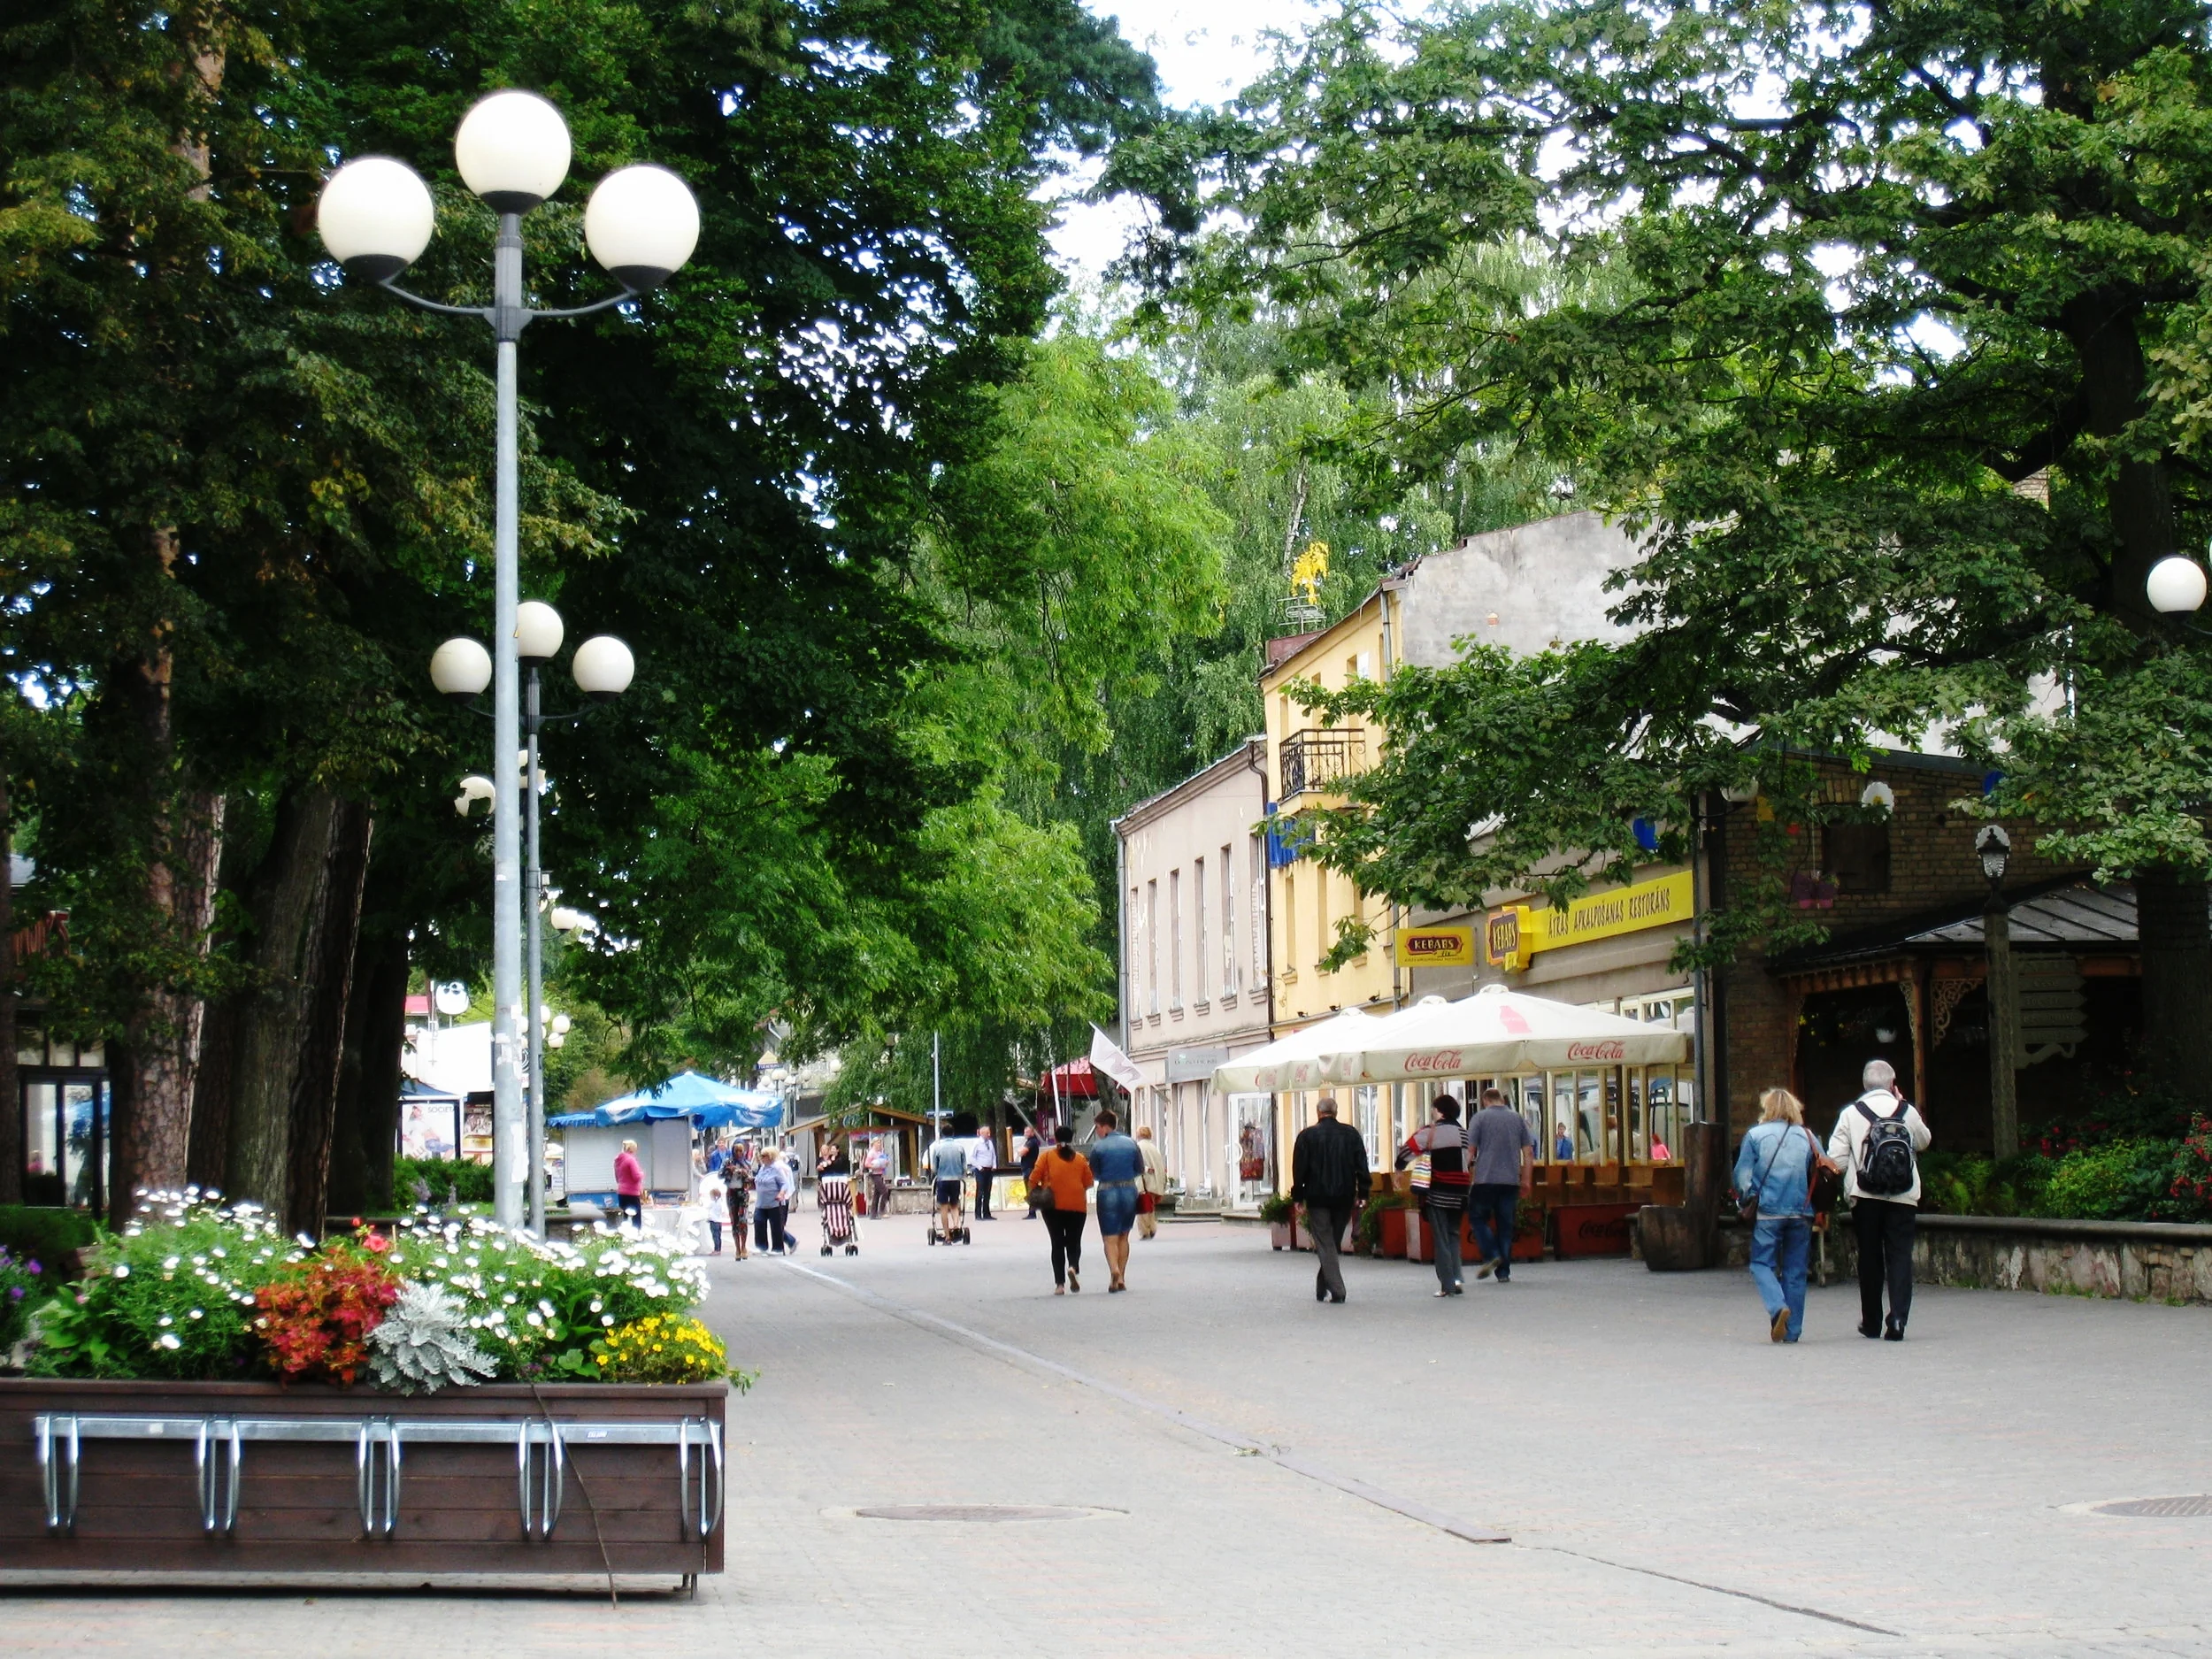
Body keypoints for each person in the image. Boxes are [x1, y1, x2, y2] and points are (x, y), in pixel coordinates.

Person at [1828, 1057, 1932, 1340]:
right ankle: (1898, 1319)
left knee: (1870, 1258)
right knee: (1900, 1257)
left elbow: (1836, 1160)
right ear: (1892, 1084)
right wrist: (1905, 1105)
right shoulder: (1906, 1111)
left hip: (1866, 1195)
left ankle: (1871, 1321)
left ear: (1864, 1085)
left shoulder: (1850, 1113)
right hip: (1903, 1196)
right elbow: (1924, 1141)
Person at [1732, 1087, 1822, 1342]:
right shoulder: (1808, 1136)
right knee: (1795, 1271)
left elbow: (1742, 1176)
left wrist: (1744, 1199)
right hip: (1801, 1211)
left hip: (1768, 1212)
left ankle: (1776, 1306)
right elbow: (1824, 1167)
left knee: (1761, 1264)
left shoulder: (1755, 1136)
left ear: (1768, 1108)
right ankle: (1792, 1331)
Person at [1290, 1095, 1371, 1304]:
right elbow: (1362, 1166)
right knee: (1332, 1241)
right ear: (1336, 1112)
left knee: (1326, 1243)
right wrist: (1363, 1193)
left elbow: (1299, 1170)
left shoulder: (1307, 1137)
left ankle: (1337, 1289)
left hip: (1317, 1196)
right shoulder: (1351, 1134)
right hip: (1344, 1195)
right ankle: (1322, 1285)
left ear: (1318, 1113)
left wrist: (1298, 1196)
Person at [1399, 1094, 1472, 1296]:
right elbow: (1471, 1159)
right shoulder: (1464, 1133)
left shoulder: (1431, 1132)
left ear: (1439, 1111)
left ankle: (1447, 1285)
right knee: (1454, 1236)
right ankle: (1457, 1279)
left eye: (1433, 1109)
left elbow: (1407, 1151)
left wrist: (1399, 1167)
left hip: (1438, 1191)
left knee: (1441, 1238)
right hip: (1460, 1193)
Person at [1464, 1087, 1536, 1284]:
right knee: (1506, 1226)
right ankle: (1503, 1272)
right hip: (1510, 1180)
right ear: (1501, 1100)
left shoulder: (1479, 1118)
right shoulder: (1517, 1118)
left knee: (1478, 1218)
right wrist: (1527, 1180)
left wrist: (1464, 1174)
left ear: (1485, 1100)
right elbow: (1529, 1154)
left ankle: (1492, 1253)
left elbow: (1470, 1151)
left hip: (1485, 1179)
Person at [1029, 1122, 1094, 1293]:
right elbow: (1088, 1183)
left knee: (1057, 1243)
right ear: (1072, 1138)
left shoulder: (1047, 1157)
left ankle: (1060, 1284)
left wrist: (1038, 1189)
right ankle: (1073, 1266)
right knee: (1074, 1241)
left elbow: (1033, 1178)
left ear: (1055, 1138)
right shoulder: (1080, 1159)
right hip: (1077, 1206)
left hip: (1052, 1206)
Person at [1087, 1109, 1144, 1292]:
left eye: (1097, 1127)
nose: (1097, 1131)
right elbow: (1139, 1169)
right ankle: (1122, 1278)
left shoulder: (1098, 1147)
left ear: (1105, 1127)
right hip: (1129, 1190)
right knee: (1124, 1236)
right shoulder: (1131, 1143)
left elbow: (1093, 1172)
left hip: (1107, 1190)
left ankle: (1114, 1270)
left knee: (1109, 1238)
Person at [927, 1124, 971, 1241]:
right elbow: (965, 1166)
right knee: (955, 1204)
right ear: (953, 1133)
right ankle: (956, 1225)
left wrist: (937, 1173)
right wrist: (962, 1173)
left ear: (942, 1134)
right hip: (956, 1179)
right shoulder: (960, 1147)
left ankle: (947, 1235)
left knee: (944, 1208)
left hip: (943, 1180)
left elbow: (934, 1168)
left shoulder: (938, 1148)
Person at [753, 1148, 794, 1255]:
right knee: (759, 1223)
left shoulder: (777, 1169)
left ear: (770, 1157)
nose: (762, 1158)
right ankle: (762, 1247)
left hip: (774, 1203)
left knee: (776, 1226)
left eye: (764, 1156)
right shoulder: (762, 1168)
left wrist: (781, 1194)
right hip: (761, 1203)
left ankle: (778, 1248)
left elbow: (785, 1184)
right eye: (761, 1156)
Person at [1134, 1125, 1168, 1240]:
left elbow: (1137, 1164)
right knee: (1151, 1207)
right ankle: (1152, 1227)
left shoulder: (1138, 1147)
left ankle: (1145, 1231)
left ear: (1139, 1135)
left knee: (1142, 1208)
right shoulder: (1154, 1148)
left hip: (1143, 1181)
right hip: (1154, 1182)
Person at [613, 1139, 645, 1231]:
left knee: (625, 1217)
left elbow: (617, 1178)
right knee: (636, 1219)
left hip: (621, 1192)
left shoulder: (617, 1161)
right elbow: (636, 1177)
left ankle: (624, 1238)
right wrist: (642, 1173)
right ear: (632, 1149)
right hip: (632, 1193)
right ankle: (636, 1238)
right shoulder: (631, 1160)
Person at [726, 1149, 752, 1260]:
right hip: (732, 1194)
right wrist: (729, 1171)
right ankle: (737, 1249)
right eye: (736, 1151)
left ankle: (744, 1247)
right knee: (734, 1221)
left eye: (741, 1151)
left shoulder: (747, 1163)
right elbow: (720, 1175)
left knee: (743, 1221)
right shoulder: (728, 1162)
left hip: (743, 1194)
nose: (738, 1153)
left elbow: (751, 1179)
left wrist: (744, 1173)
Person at [969, 1123, 998, 1220]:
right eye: (987, 1133)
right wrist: (979, 1166)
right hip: (981, 1170)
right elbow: (972, 1157)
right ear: (982, 1133)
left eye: (989, 1133)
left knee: (988, 1192)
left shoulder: (990, 1143)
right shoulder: (977, 1143)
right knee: (980, 1192)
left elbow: (993, 1155)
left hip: (989, 1170)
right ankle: (978, 1214)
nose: (989, 1135)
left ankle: (986, 1213)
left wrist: (994, 1165)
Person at [699, 1165, 727, 1256]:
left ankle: (716, 1249)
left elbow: (706, 1207)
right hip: (719, 1221)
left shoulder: (713, 1203)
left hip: (714, 1220)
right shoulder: (720, 1202)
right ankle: (719, 1249)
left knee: (715, 1235)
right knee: (718, 1236)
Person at [1020, 1121, 1046, 1217]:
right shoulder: (1030, 1142)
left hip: (1029, 1169)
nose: (1025, 1134)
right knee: (1031, 1190)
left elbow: (1021, 1152)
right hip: (1029, 1168)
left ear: (1032, 1132)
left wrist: (1021, 1150)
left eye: (1027, 1132)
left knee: (1030, 1190)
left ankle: (1032, 1211)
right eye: (1025, 1132)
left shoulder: (1031, 1142)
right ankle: (1033, 1210)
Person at [863, 1136, 892, 1217]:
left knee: (877, 1194)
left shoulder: (880, 1153)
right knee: (885, 1191)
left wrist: (886, 1163)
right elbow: (866, 1164)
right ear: (874, 1144)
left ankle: (873, 1214)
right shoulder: (871, 1153)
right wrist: (874, 1166)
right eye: (878, 1143)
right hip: (874, 1174)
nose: (879, 1144)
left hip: (880, 1173)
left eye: (880, 1143)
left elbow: (884, 1161)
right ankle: (881, 1211)